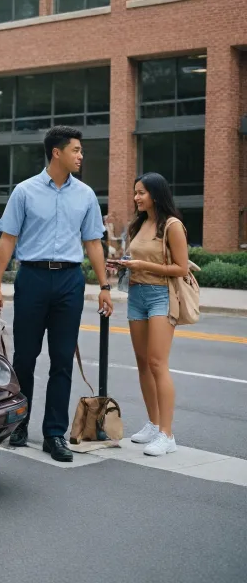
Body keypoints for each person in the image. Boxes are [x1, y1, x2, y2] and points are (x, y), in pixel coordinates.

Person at [0, 126, 113, 463]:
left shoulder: (85, 195)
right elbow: (8, 240)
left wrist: (103, 287)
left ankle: (54, 434)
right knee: (25, 357)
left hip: (70, 280)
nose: (81, 156)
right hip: (32, 278)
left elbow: (93, 243)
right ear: (57, 152)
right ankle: (19, 423)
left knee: (61, 360)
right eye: (76, 150)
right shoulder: (25, 192)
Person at [107, 173, 188, 457]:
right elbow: (136, 261)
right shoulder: (137, 225)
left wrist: (143, 264)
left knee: (157, 363)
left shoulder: (172, 226)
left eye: (141, 193)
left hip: (161, 295)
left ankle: (167, 434)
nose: (136, 198)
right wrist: (122, 265)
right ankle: (154, 424)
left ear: (156, 194)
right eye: (135, 193)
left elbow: (181, 268)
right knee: (142, 363)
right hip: (137, 295)